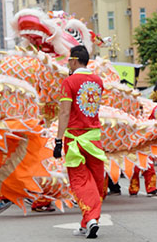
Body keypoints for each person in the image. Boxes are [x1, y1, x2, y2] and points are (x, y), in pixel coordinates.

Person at [53, 45, 107, 238]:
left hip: (75, 139)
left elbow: (65, 111)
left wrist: (58, 140)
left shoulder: (69, 81)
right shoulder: (98, 81)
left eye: (69, 60)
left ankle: (91, 219)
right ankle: (87, 223)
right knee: (96, 181)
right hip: (93, 139)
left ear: (74, 60)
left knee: (80, 181)